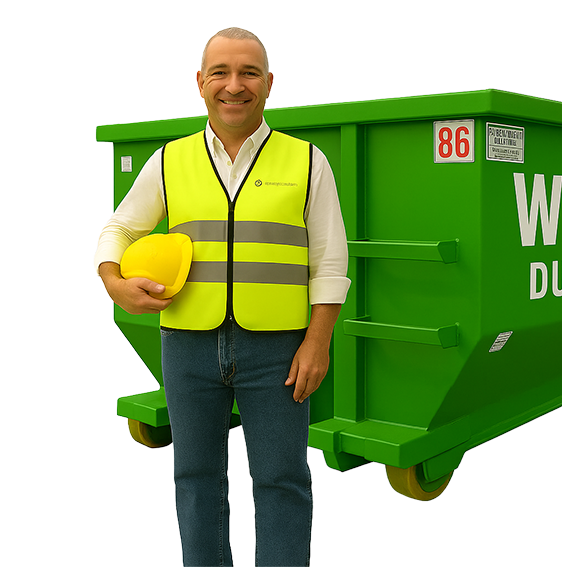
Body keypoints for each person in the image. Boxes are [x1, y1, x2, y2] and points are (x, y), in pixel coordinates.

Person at [95, 27, 350, 567]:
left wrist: (317, 342)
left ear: (269, 83)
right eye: (221, 73)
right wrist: (113, 280)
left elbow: (330, 261)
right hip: (187, 346)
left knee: (282, 478)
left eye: (249, 73)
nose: (234, 85)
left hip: (277, 351)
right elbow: (120, 227)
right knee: (195, 477)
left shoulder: (307, 161)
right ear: (201, 82)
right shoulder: (171, 159)